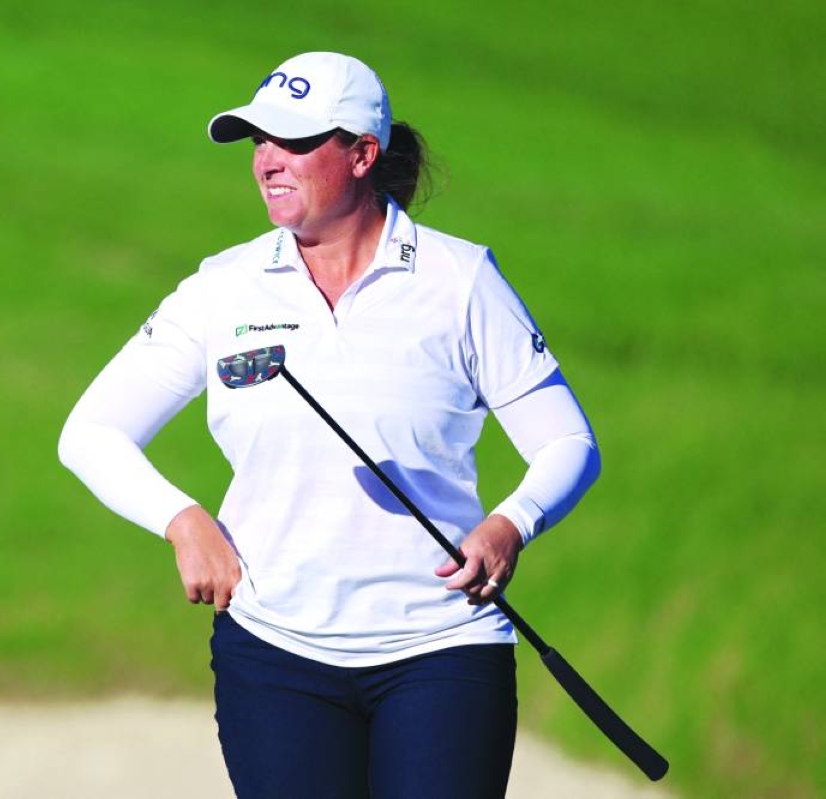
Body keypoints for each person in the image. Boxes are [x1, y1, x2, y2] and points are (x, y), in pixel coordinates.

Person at [59, 51, 600, 798]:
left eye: (295, 141)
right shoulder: (223, 288)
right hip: (275, 656)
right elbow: (91, 432)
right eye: (259, 141)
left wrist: (512, 524)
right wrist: (182, 521)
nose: (269, 161)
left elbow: (568, 442)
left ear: (361, 154)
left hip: (441, 647)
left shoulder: (460, 280)